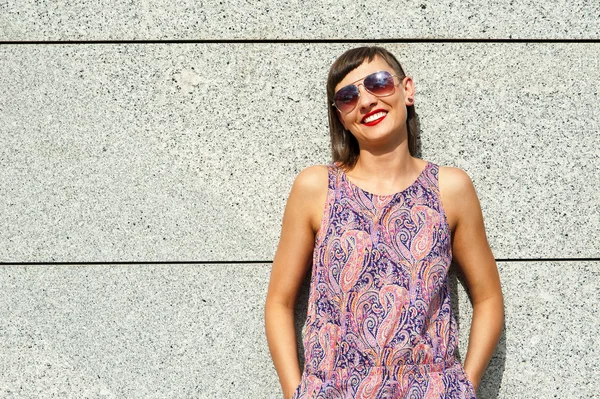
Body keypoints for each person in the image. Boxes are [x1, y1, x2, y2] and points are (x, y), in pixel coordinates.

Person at [264, 46, 504, 399]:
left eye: (377, 83)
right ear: (341, 116)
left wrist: (463, 387)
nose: (364, 101)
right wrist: (295, 393)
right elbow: (279, 303)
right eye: (347, 96)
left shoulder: (451, 188)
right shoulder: (316, 188)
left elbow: (488, 298)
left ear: (407, 89)